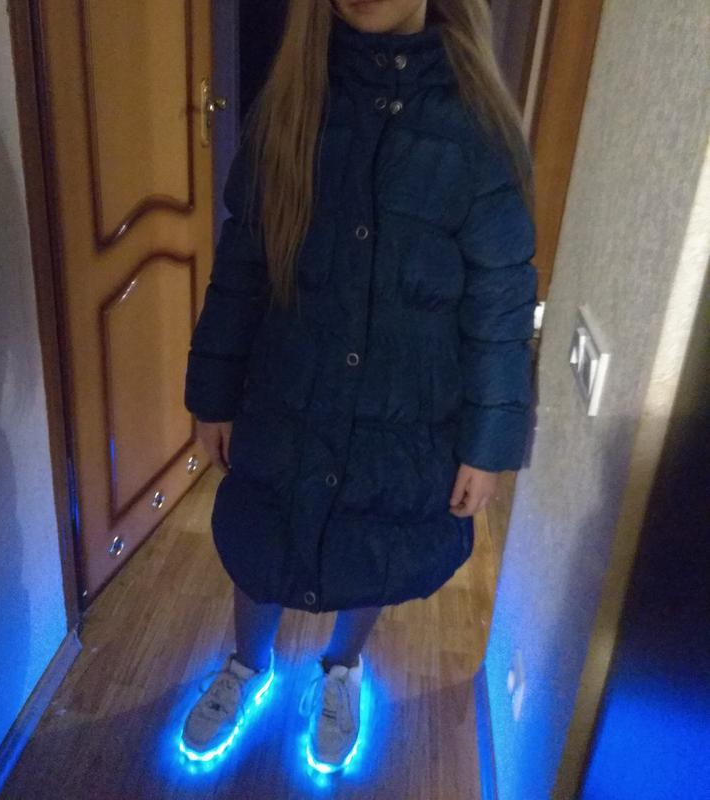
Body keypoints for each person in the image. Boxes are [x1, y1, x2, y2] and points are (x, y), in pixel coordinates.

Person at [180, 0, 538, 774]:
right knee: (262, 534)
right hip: (288, 389)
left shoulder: (478, 127)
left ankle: (341, 670)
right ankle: (248, 663)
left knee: (371, 533)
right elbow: (242, 264)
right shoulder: (292, 103)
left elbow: (501, 300)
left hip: (406, 409)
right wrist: (214, 389)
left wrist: (489, 443)